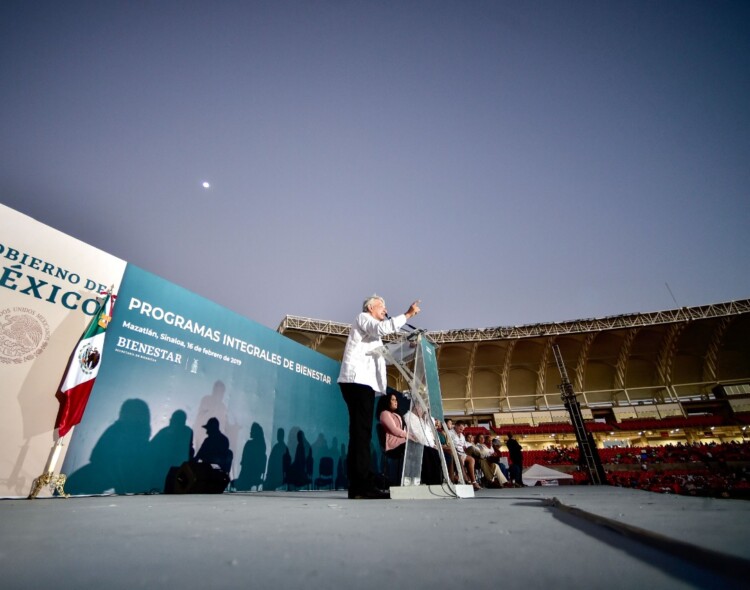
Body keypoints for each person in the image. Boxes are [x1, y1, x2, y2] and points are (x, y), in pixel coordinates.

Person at [338, 294, 420, 499]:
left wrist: (408, 347)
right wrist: (408, 315)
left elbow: (387, 356)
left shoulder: (373, 334)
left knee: (361, 435)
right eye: (382, 307)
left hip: (364, 384)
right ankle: (360, 487)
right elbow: (383, 328)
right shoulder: (364, 318)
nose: (385, 310)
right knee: (360, 435)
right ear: (371, 307)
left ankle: (360, 486)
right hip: (357, 382)